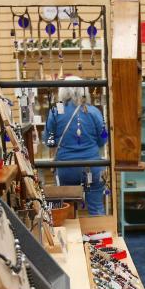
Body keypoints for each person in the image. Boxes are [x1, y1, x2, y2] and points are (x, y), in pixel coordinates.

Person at [44, 75, 108, 215]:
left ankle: (69, 236)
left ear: (62, 91)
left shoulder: (56, 111)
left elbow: (49, 142)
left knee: (67, 209)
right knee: (96, 208)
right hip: (92, 167)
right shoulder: (94, 112)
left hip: (66, 167)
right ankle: (100, 235)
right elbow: (104, 138)